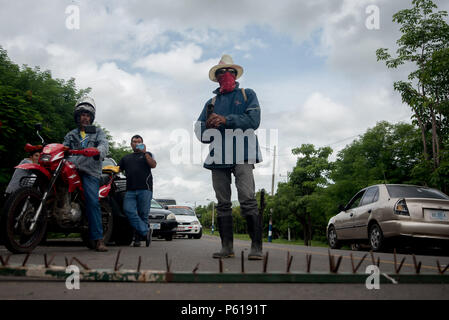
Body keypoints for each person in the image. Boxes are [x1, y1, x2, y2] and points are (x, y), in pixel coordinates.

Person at [195, 54, 264, 260]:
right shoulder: (211, 102)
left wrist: (225, 119)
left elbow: (254, 120)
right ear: (216, 78)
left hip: (243, 153)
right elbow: (200, 131)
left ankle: (256, 247)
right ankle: (227, 247)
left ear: (235, 75)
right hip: (218, 158)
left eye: (230, 72)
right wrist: (209, 125)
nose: (226, 75)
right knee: (222, 202)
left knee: (247, 199)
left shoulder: (247, 94)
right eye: (221, 73)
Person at [63, 96, 109, 252]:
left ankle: (98, 239)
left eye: (88, 115)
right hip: (70, 169)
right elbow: (63, 148)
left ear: (92, 118)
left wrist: (98, 151)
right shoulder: (71, 134)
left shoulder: (98, 132)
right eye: (83, 114)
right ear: (78, 116)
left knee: (92, 201)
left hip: (90, 171)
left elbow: (104, 146)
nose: (85, 117)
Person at [118, 135, 156, 247]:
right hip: (130, 190)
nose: (136, 143)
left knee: (143, 214)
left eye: (139, 142)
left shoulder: (148, 154)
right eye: (134, 142)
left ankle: (138, 239)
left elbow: (153, 165)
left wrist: (145, 153)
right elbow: (117, 169)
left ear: (143, 144)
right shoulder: (126, 158)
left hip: (145, 189)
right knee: (128, 210)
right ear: (131, 144)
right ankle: (146, 231)